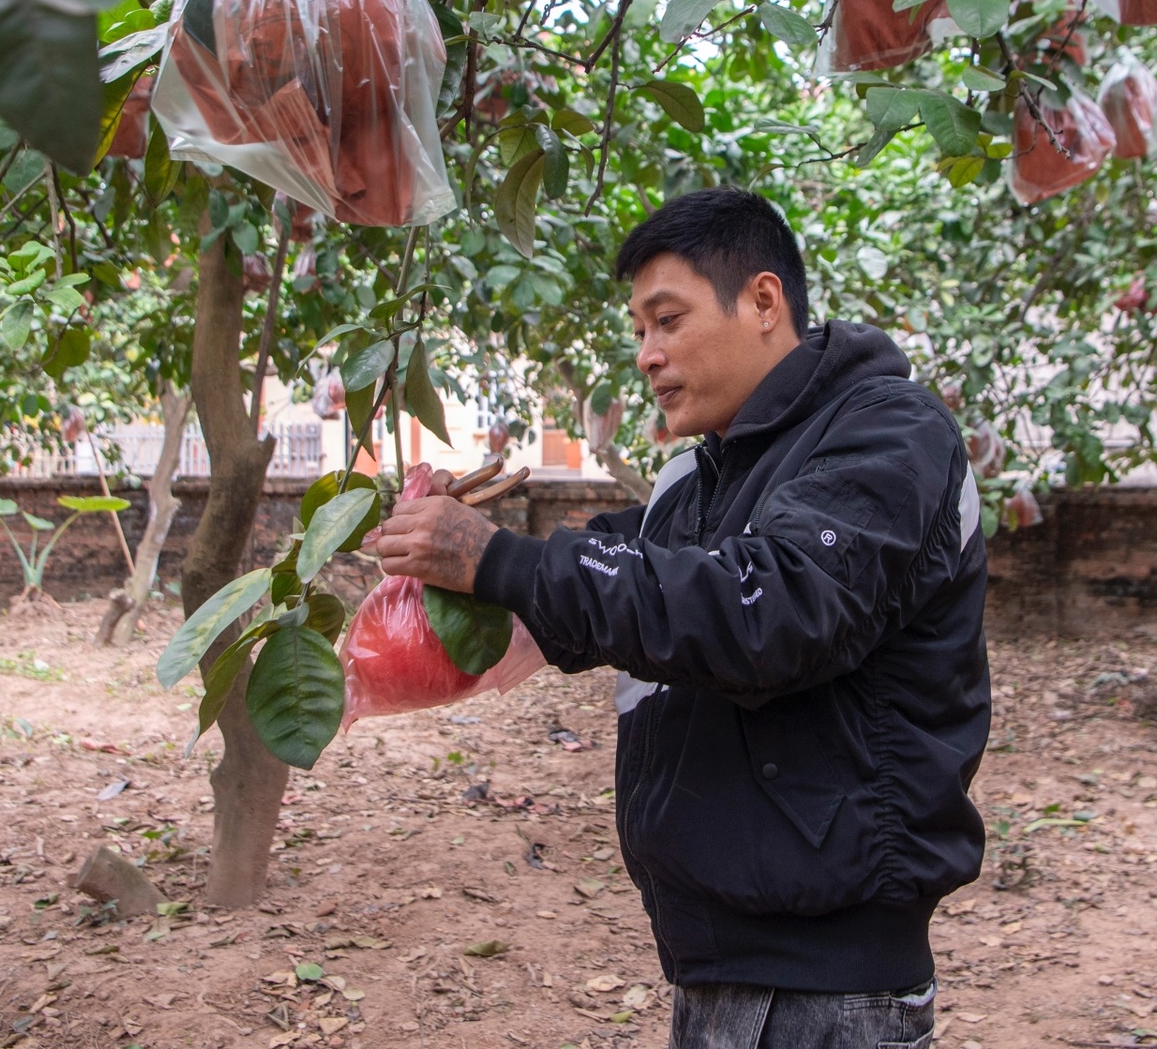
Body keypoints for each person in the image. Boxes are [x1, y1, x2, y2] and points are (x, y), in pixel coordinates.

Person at [367, 188, 991, 1049]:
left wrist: (496, 559)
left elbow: (769, 611)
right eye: (638, 333)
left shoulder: (890, 432)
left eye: (668, 320)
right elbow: (595, 598)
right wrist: (433, 586)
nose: (648, 356)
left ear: (764, 302)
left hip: (826, 988)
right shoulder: (693, 486)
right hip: (721, 964)